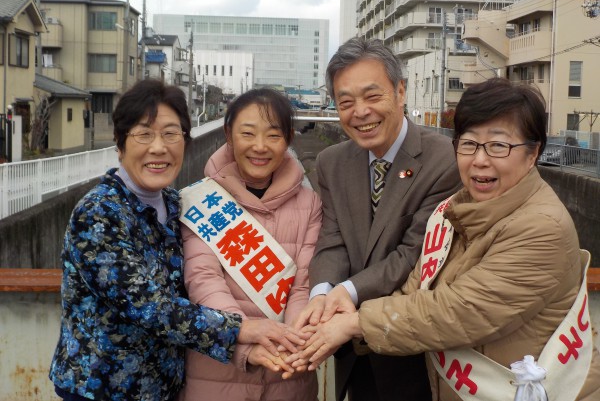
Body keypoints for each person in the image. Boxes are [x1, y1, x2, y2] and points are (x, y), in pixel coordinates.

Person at [298, 78, 600, 401]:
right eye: (468, 144)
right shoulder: (456, 209)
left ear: (532, 153)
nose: (480, 159)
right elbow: (417, 286)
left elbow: (456, 311)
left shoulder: (542, 228)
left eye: (499, 146)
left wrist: (355, 323)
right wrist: (347, 313)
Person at [49, 79, 305, 401]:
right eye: (144, 134)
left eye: (171, 134)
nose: (159, 148)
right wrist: (242, 329)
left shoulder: (176, 203)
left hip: (165, 386)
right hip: (103, 388)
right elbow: (148, 306)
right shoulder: (98, 214)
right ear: (120, 143)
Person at [294, 37, 462, 401]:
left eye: (373, 96)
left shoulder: (443, 160)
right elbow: (333, 238)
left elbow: (413, 253)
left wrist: (346, 291)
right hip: (351, 352)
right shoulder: (332, 162)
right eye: (346, 102)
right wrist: (321, 293)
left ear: (400, 92)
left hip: (413, 352)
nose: (361, 112)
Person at [179, 88, 322, 401]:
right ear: (229, 135)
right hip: (215, 376)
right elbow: (203, 278)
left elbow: (303, 284)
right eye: (247, 133)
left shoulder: (310, 204)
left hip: (289, 374)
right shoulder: (201, 201)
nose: (260, 147)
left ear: (288, 139)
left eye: (273, 135)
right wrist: (243, 336)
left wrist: (293, 340)